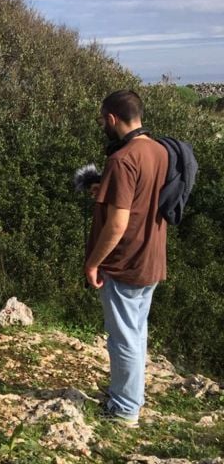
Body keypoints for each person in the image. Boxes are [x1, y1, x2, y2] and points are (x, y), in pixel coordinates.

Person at [85, 89, 168, 428]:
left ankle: (124, 409)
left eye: (102, 119)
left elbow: (118, 223)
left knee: (123, 337)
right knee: (136, 332)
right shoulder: (158, 151)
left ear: (112, 119)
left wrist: (94, 261)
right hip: (150, 255)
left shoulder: (122, 159)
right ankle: (127, 395)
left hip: (124, 260)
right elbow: (139, 200)